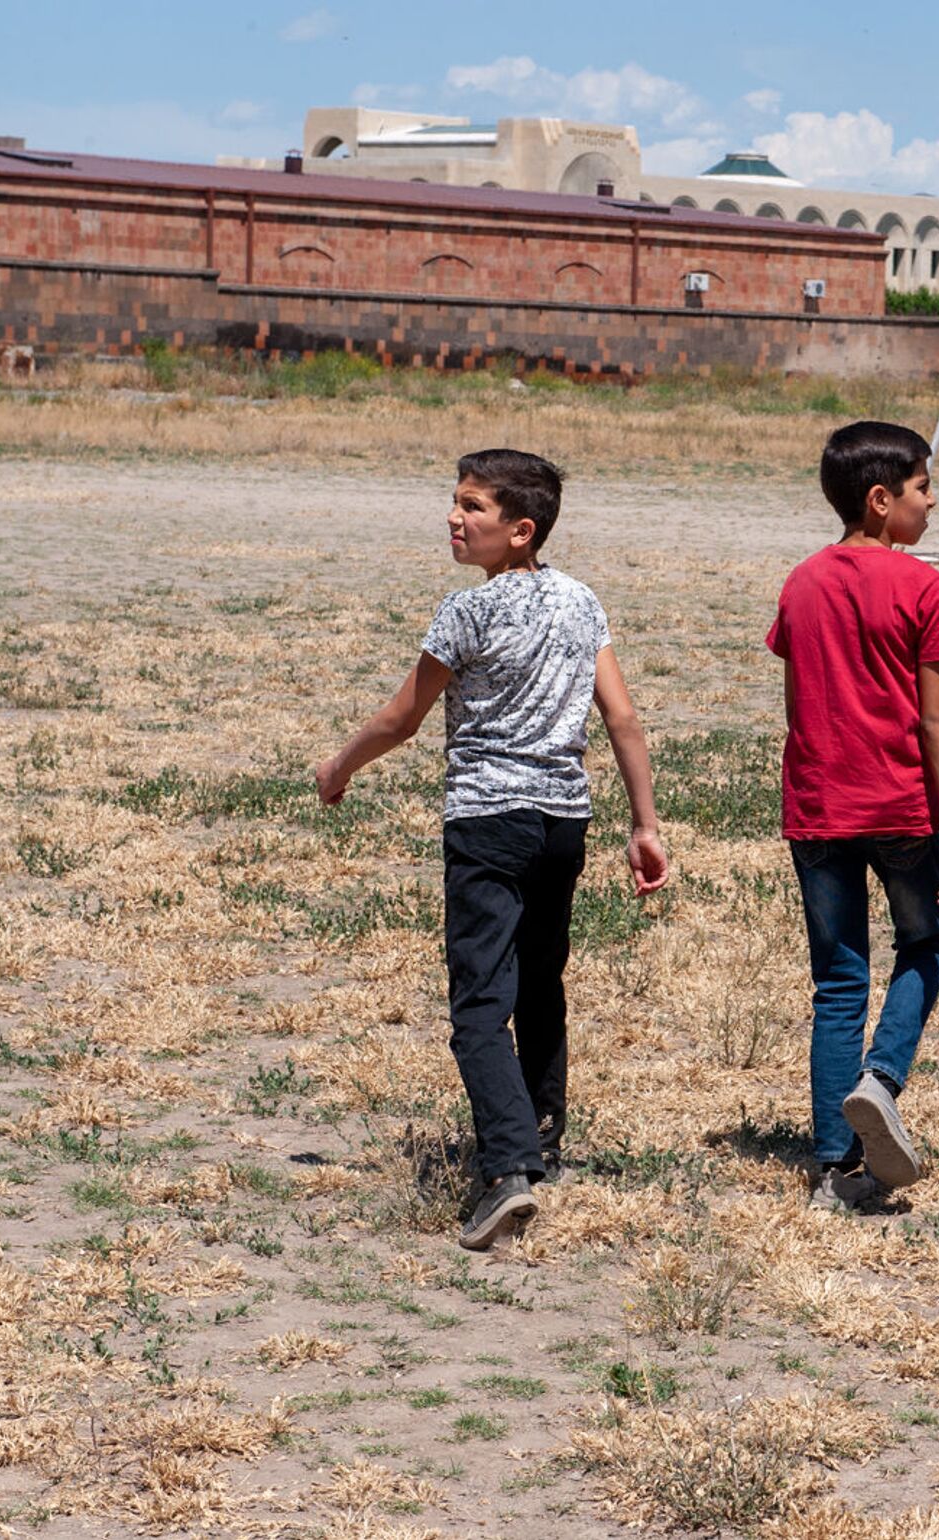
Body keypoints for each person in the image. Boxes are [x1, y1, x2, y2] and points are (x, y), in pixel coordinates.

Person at [316, 448, 668, 1250]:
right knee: (541, 981)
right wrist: (644, 824)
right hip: (562, 824)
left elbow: (402, 718)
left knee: (480, 1003)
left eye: (472, 507)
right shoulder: (583, 602)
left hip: (487, 821)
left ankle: (507, 1173)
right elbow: (623, 720)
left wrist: (337, 767)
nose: (454, 518)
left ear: (520, 531)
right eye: (455, 502)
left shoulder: (464, 614)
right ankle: (541, 1139)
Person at [766, 421, 939, 1213]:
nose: (934, 500)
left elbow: (796, 708)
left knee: (838, 980)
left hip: (819, 810)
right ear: (882, 500)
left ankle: (834, 1167)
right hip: (900, 809)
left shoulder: (803, 582)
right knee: (924, 945)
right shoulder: (924, 588)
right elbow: (937, 723)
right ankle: (881, 1081)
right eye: (925, 487)